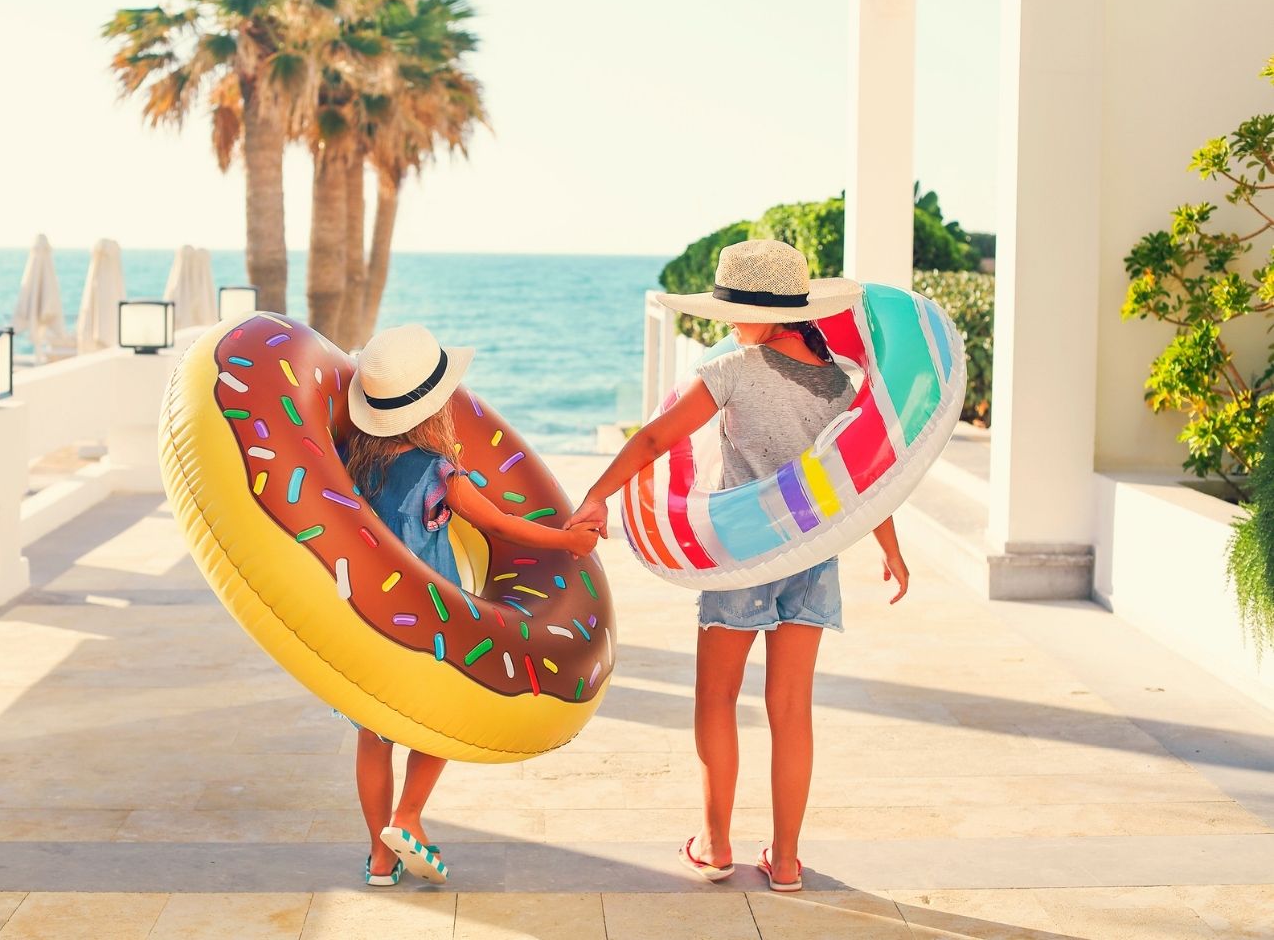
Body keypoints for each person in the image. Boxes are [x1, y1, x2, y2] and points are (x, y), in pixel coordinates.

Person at [566, 240, 909, 893]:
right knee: (791, 708)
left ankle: (716, 843)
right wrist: (889, 550)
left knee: (718, 697)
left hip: (743, 556)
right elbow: (861, 478)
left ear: (766, 311)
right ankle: (785, 861)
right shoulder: (841, 383)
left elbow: (655, 437)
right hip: (811, 560)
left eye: (733, 310)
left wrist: (597, 495)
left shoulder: (736, 369)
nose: (725, 323)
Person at [344, 324, 600, 886]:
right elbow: (502, 523)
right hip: (431, 621)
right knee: (440, 723)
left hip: (367, 622)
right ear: (432, 410)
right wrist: (570, 542)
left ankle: (379, 860)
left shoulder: (350, 464)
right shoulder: (442, 473)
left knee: (373, 736)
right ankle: (408, 816)